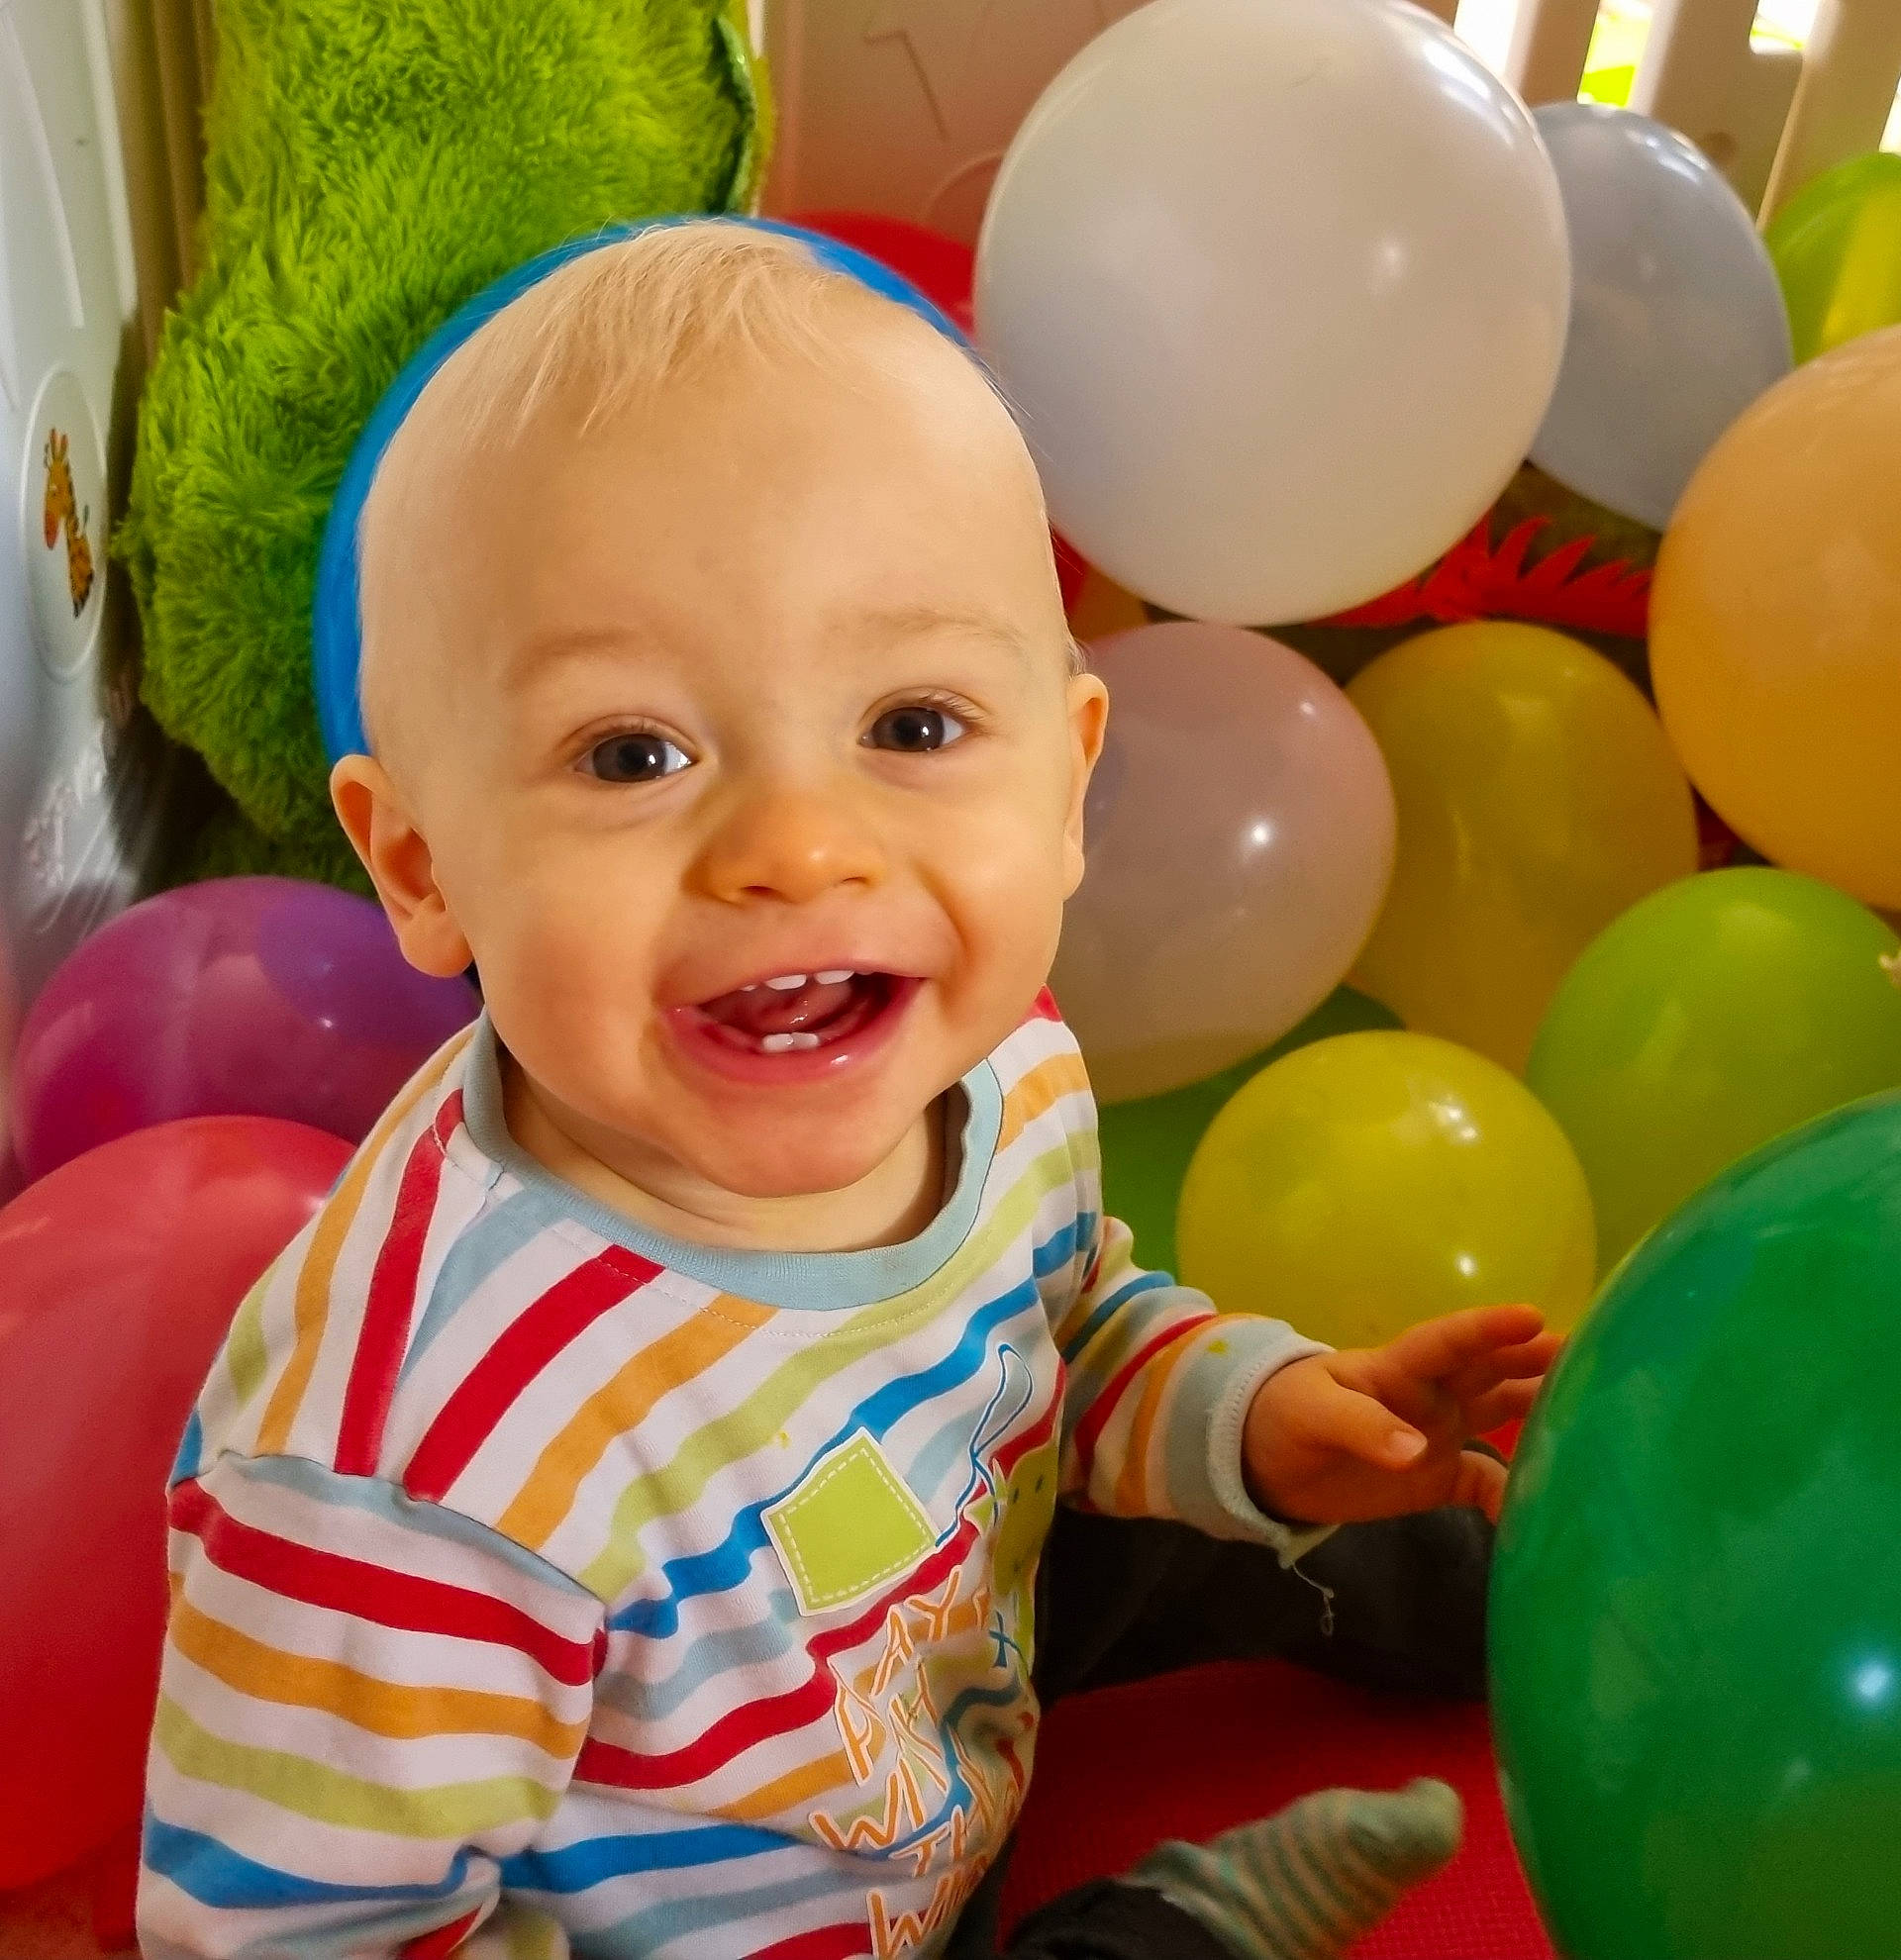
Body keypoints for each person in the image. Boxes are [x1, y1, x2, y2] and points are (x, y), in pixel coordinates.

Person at [138, 221, 1555, 1960]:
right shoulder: (421, 1471)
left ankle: (1533, 1576)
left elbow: (1061, 1321)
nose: (801, 847)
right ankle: (1167, 1932)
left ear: (1069, 785)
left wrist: (1255, 1410)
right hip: (753, 1911)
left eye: (914, 725)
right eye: (634, 753)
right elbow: (290, 1940)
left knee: (1286, 1489)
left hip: (942, 1632)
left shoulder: (997, 1055)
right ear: (421, 866)